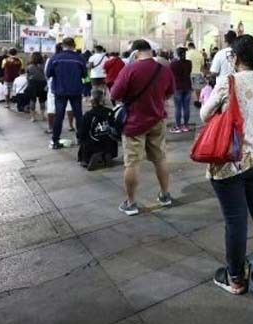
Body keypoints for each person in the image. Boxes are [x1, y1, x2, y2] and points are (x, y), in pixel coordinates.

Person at [200, 34, 253, 295]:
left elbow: (204, 114)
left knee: (235, 220)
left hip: (231, 161)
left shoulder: (228, 81)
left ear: (236, 57)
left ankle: (235, 277)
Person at [111, 39, 175, 216]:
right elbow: (169, 92)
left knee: (132, 163)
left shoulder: (129, 69)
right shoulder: (164, 70)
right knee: (160, 158)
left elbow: (115, 94)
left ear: (135, 52)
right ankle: (165, 195)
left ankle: (131, 203)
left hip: (134, 123)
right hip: (157, 120)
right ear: (150, 51)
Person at [45, 38, 87, 150]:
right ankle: (80, 139)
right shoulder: (79, 58)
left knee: (59, 116)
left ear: (63, 45)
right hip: (76, 90)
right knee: (78, 116)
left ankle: (55, 140)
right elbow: (84, 74)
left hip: (60, 91)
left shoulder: (55, 58)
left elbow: (49, 74)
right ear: (73, 45)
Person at [76, 88, 118, 171]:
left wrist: (79, 138)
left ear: (91, 101)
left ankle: (87, 158)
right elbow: (114, 128)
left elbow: (81, 133)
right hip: (109, 143)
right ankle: (107, 154)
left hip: (93, 144)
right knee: (110, 137)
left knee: (83, 140)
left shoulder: (88, 115)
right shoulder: (110, 112)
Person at [169, 47, 193, 133]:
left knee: (177, 107)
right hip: (187, 86)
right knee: (186, 107)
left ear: (177, 54)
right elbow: (189, 72)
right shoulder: (189, 63)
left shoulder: (173, 64)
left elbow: (171, 75)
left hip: (177, 87)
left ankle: (178, 126)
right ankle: (186, 125)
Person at [26, 52, 48, 122]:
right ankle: (43, 116)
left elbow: (28, 77)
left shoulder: (30, 66)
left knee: (32, 100)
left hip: (33, 84)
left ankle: (33, 117)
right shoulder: (44, 65)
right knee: (42, 100)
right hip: (42, 84)